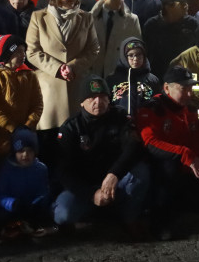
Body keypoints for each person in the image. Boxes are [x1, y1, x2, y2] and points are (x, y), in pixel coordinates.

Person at [53, 76, 150, 233]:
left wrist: (114, 174)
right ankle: (94, 214)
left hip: (115, 182)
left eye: (102, 97)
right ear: (82, 102)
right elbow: (63, 171)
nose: (97, 102)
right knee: (63, 215)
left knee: (142, 172)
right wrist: (91, 194)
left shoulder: (119, 117)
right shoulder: (71, 128)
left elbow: (133, 146)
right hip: (85, 186)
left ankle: (129, 218)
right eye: (92, 98)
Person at [136, 66, 199, 240]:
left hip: (183, 166)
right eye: (184, 89)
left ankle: (177, 208)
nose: (189, 94)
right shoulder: (152, 108)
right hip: (159, 167)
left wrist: (198, 159)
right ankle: (159, 223)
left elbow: (195, 138)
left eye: (191, 89)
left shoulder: (189, 109)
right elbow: (151, 144)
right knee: (168, 168)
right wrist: (185, 154)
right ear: (167, 88)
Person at [26, 0, 100, 141]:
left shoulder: (86, 17)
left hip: (77, 85)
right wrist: (58, 68)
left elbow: (93, 49)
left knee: (76, 139)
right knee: (48, 141)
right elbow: (32, 51)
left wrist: (73, 66)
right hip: (48, 89)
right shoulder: (38, 18)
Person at [0, 34, 43, 156]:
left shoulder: (30, 76)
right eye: (18, 52)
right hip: (4, 136)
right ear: (8, 55)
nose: (23, 55)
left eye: (24, 52)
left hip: (27, 133)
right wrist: (13, 128)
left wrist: (29, 124)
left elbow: (37, 103)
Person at [0, 126, 52, 242]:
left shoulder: (40, 169)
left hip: (31, 207)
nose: (25, 155)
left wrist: (37, 202)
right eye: (21, 151)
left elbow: (44, 191)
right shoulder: (6, 169)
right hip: (12, 207)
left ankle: (32, 226)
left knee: (43, 210)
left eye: (29, 151)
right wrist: (11, 203)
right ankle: (4, 229)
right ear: (15, 153)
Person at [91, 0, 142, 79]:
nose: (119, 1)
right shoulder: (89, 19)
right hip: (93, 72)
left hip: (119, 74)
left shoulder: (132, 20)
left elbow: (136, 48)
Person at [142, 0, 198, 78]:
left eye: (186, 2)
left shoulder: (192, 24)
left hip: (186, 77)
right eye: (182, 3)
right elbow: (147, 56)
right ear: (168, 6)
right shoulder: (152, 26)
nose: (186, 5)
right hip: (159, 77)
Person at [108, 37, 162, 117]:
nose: (135, 59)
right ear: (124, 57)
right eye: (131, 55)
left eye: (139, 54)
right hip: (120, 123)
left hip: (145, 123)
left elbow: (158, 105)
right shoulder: (112, 79)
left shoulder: (153, 80)